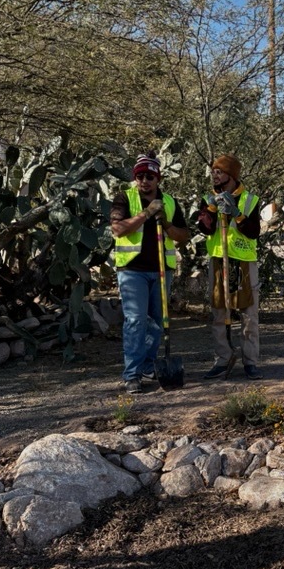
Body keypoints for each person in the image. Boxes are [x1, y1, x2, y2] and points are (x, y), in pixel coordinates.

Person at [110, 153, 191, 393]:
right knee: (135, 321)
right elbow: (117, 229)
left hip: (161, 270)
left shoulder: (170, 202)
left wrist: (165, 222)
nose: (144, 181)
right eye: (140, 176)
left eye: (150, 176)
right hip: (132, 270)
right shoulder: (124, 198)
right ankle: (132, 374)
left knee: (158, 323)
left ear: (159, 178)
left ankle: (149, 365)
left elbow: (183, 236)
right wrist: (146, 214)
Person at [196, 154, 263, 381]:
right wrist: (212, 210)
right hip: (218, 260)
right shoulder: (207, 198)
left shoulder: (250, 200)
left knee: (249, 315)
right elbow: (204, 229)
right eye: (213, 171)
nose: (214, 176)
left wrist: (237, 213)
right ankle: (223, 359)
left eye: (219, 172)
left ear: (232, 176)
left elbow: (254, 231)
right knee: (218, 313)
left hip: (243, 260)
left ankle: (251, 361)